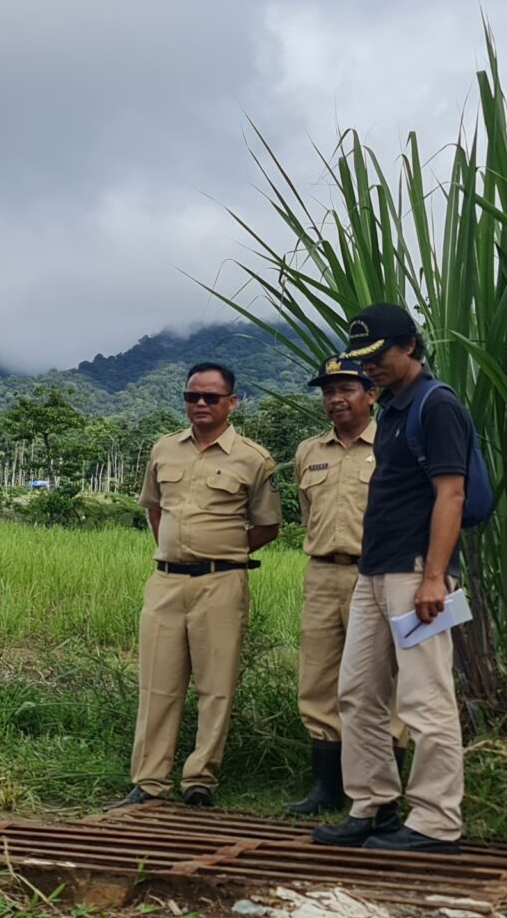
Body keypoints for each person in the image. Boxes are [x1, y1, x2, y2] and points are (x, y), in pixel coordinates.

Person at [315, 303, 477, 854]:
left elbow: (450, 493)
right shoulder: (393, 409)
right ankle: (374, 805)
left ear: (409, 345)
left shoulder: (438, 405)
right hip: (375, 569)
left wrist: (435, 576)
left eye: (378, 356)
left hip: (415, 574)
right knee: (357, 691)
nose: (371, 368)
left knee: (424, 697)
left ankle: (436, 821)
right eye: (363, 359)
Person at [118, 361, 282, 806]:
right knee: (157, 683)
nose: (201, 404)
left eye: (212, 397)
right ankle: (150, 781)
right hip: (166, 581)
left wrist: (223, 549)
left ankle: (200, 779)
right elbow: (154, 508)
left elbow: (268, 525)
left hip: (222, 583)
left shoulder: (253, 457)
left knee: (216, 684)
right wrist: (176, 549)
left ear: (233, 402)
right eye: (193, 397)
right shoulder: (164, 450)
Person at [283, 354, 376, 817]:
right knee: (318, 677)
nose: (336, 399)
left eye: (346, 390)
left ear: (370, 395)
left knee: (379, 679)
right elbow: (308, 514)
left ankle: (379, 790)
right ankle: (325, 789)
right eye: (327, 392)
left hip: (373, 573)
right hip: (321, 573)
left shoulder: (391, 445)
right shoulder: (309, 452)